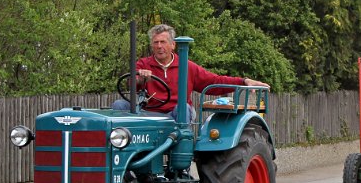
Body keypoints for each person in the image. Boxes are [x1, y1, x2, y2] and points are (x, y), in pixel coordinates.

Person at [111, 24, 269, 118]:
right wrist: (140, 78)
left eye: (163, 42)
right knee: (119, 105)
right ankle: (121, 150)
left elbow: (214, 81)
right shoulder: (143, 64)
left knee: (184, 108)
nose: (159, 46)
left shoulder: (187, 66)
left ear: (173, 45)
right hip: (148, 112)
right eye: (156, 42)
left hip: (174, 114)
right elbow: (131, 83)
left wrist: (243, 81)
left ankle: (180, 157)